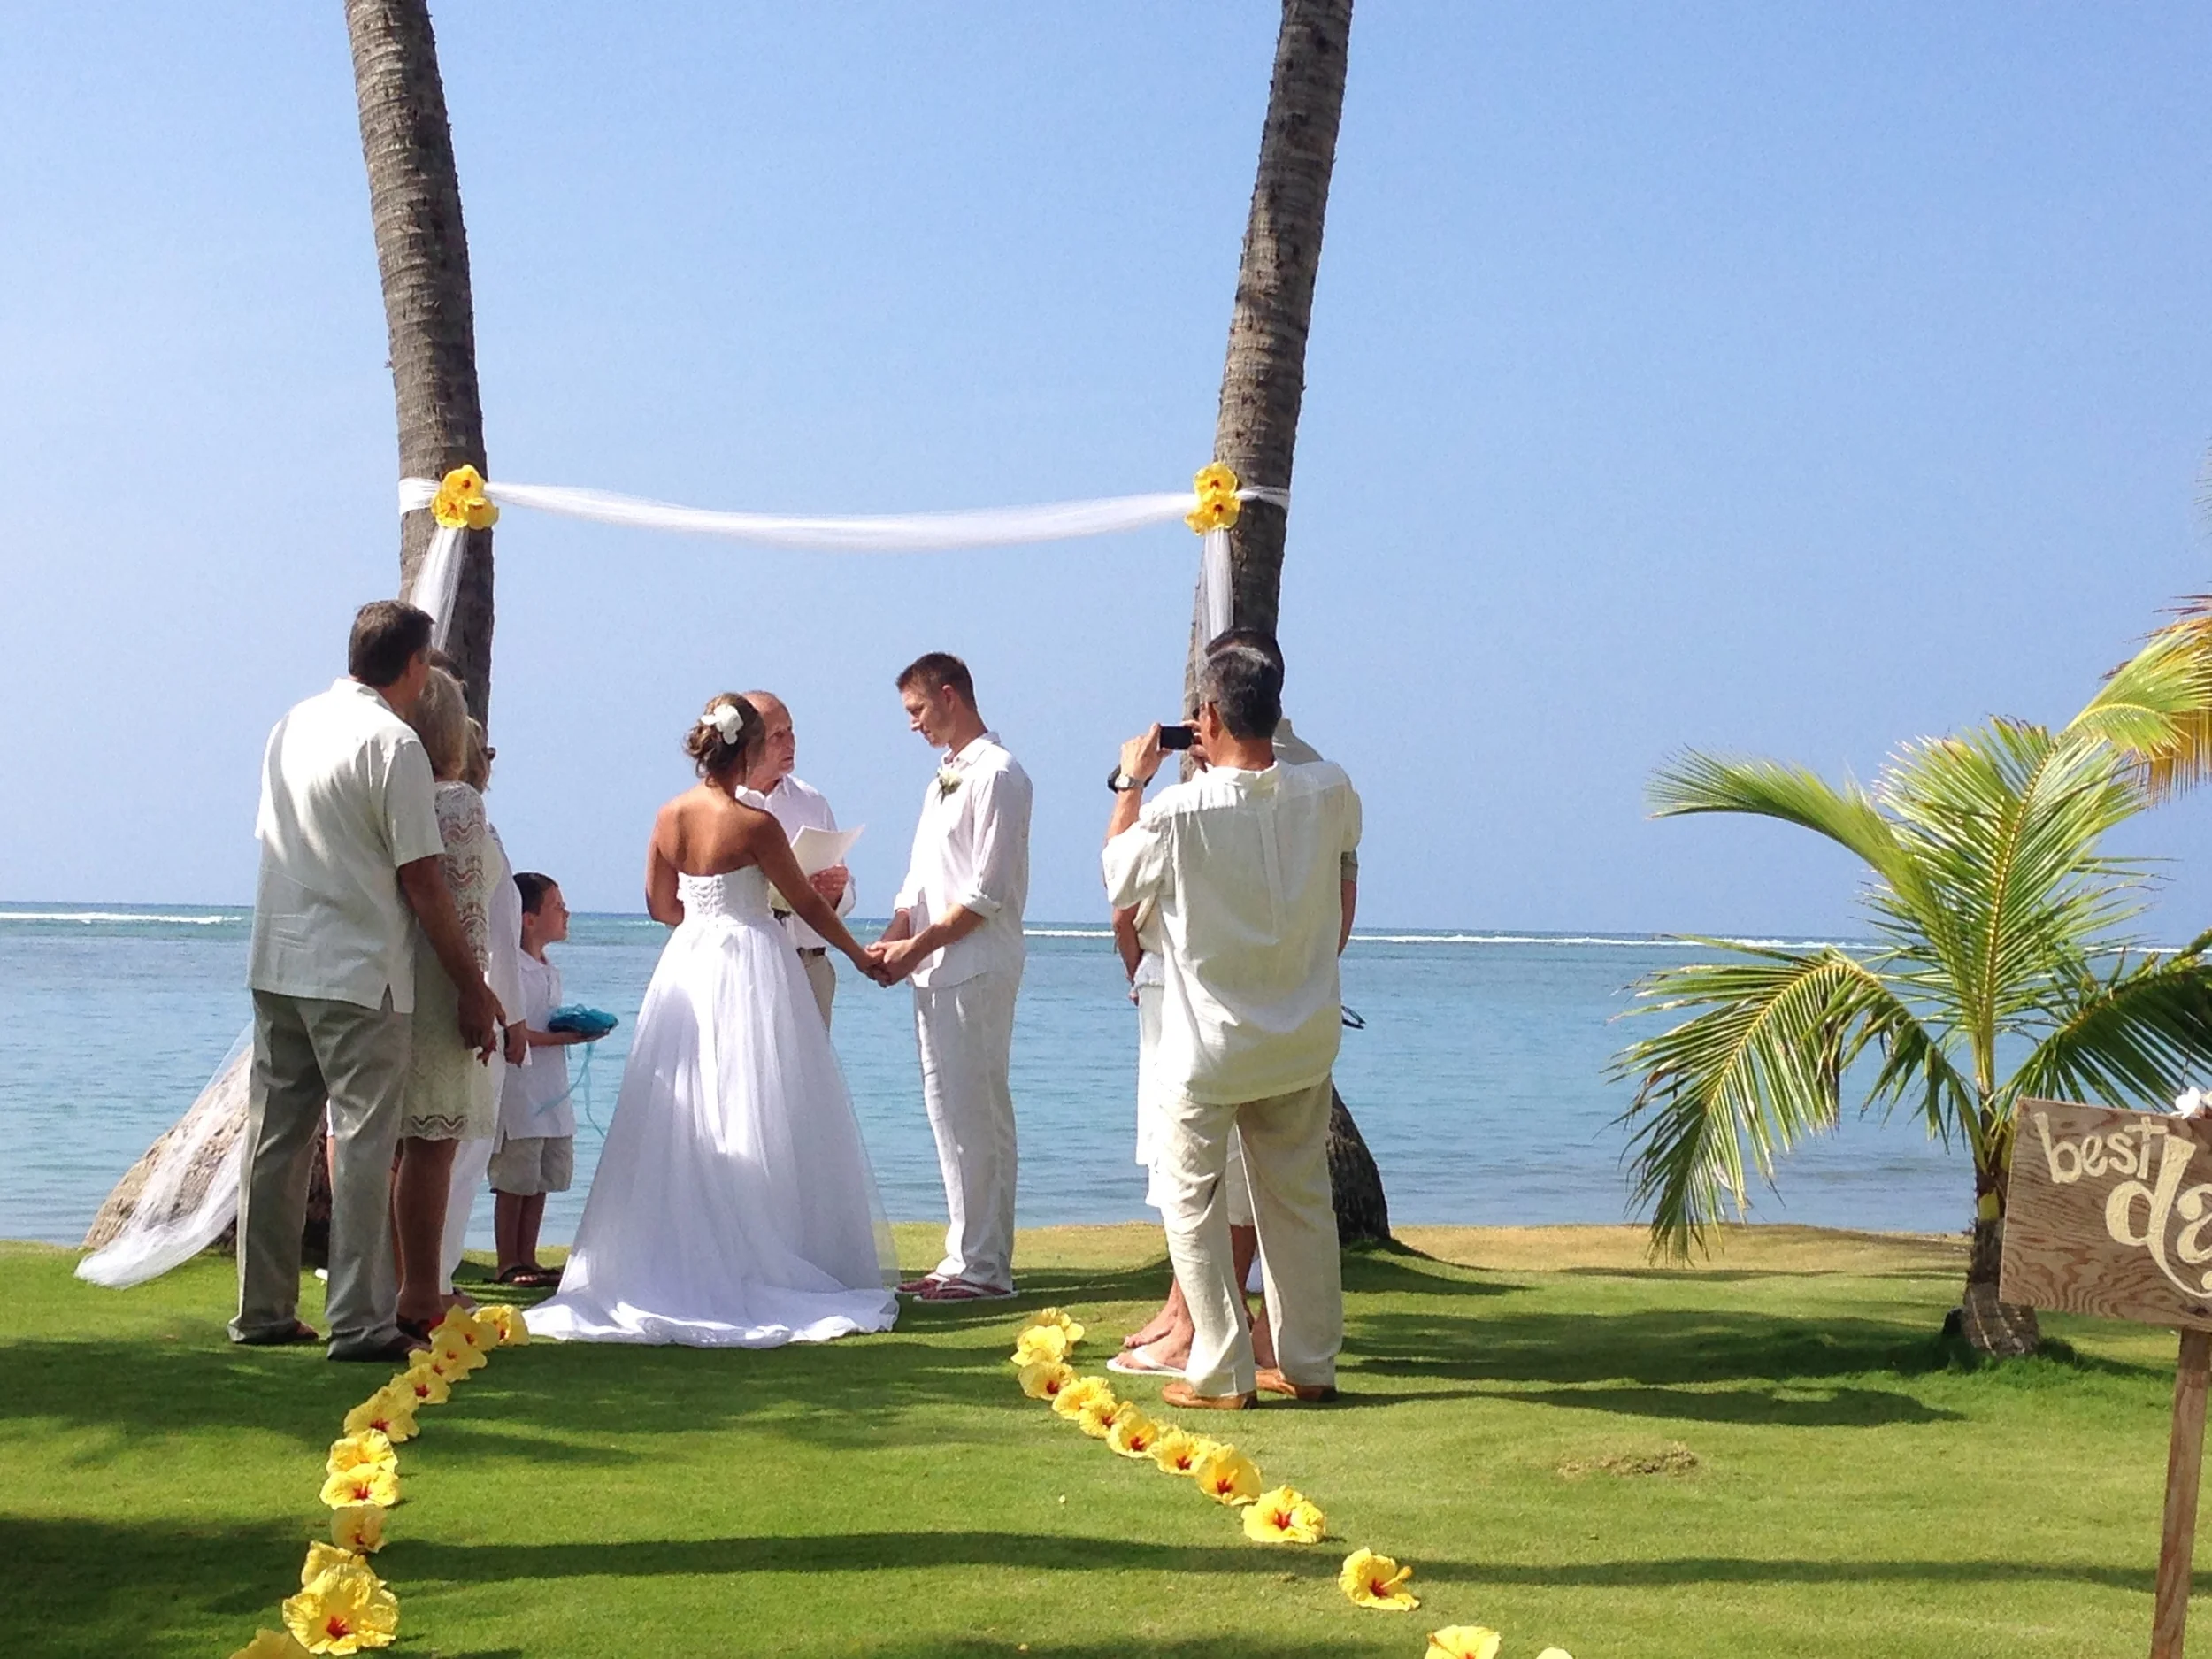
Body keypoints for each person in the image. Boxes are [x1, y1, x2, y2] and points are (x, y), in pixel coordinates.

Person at [526, 694, 898, 1346]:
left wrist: (705, 918)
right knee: (757, 1100)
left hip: (690, 962)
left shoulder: (669, 816)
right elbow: (808, 902)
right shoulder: (755, 826)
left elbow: (660, 905)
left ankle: (673, 1248)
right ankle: (761, 1240)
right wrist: (857, 953)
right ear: (747, 752)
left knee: (687, 1103)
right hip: (753, 960)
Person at [234, 600, 498, 1363]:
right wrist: (472, 987)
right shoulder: (394, 743)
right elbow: (423, 881)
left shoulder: (292, 724)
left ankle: (263, 1308)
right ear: (415, 666)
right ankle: (358, 1318)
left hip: (280, 957)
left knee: (276, 1141)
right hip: (359, 970)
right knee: (362, 1141)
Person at [1102, 634, 1361, 1409]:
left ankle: (1220, 1368)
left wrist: (1129, 781)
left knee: (1192, 1199)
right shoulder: (1331, 788)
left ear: (1207, 716)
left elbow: (1117, 876)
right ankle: (1308, 1361)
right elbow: (1343, 864)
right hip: (1299, 1033)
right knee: (1299, 1198)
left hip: (1209, 1043)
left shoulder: (1178, 809)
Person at [868, 653, 1033, 1302]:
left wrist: (918, 946)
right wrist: (895, 932)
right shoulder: (944, 775)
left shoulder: (1000, 774)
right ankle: (960, 1254)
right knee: (946, 1114)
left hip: (978, 964)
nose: (913, 725)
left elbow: (986, 891)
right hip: (933, 967)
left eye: (917, 710)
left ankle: (988, 1267)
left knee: (980, 1112)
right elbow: (920, 877)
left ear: (948, 695)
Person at [391, 670, 503, 1336]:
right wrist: (477, 989)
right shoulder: (456, 800)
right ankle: (421, 1290)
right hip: (443, 978)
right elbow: (463, 906)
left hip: (397, 974)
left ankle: (395, 1283)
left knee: (398, 1141)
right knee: (432, 1141)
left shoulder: (394, 794)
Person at [438, 718, 527, 1302]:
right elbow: (499, 937)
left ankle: (431, 1272)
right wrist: (514, 1019)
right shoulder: (476, 831)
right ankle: (435, 1276)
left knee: (458, 1152)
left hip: (472, 991)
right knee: (465, 1150)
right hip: (484, 1000)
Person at [490, 872, 592, 1287]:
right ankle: (507, 1262)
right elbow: (509, 1029)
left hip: (551, 1088)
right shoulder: (509, 967)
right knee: (515, 1178)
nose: (566, 913)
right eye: (556, 906)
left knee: (541, 1179)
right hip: (521, 1089)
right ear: (528, 918)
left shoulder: (548, 968)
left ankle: (528, 1257)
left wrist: (572, 1030)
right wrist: (560, 1037)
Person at [740, 690, 856, 1026]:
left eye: (791, 731)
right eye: (778, 735)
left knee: (813, 1078)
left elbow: (845, 889)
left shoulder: (811, 800)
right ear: (749, 742)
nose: (790, 742)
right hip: (752, 969)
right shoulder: (723, 804)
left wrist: (836, 891)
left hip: (811, 967)